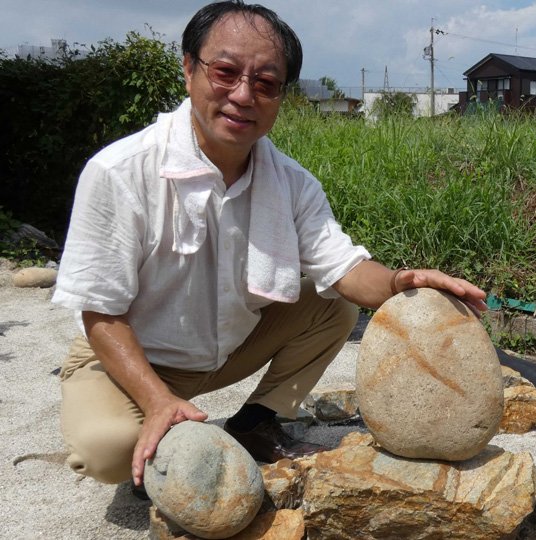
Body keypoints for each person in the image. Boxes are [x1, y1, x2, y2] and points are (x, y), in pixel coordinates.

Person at [52, 0, 487, 490]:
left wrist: (399, 282)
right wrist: (156, 400)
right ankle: (147, 413)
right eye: (226, 72)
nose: (243, 95)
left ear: (282, 95)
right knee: (110, 452)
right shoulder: (121, 171)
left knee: (334, 308)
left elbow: (344, 268)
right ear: (189, 68)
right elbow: (100, 313)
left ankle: (256, 423)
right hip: (127, 359)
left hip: (221, 355)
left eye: (265, 83)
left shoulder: (291, 183)